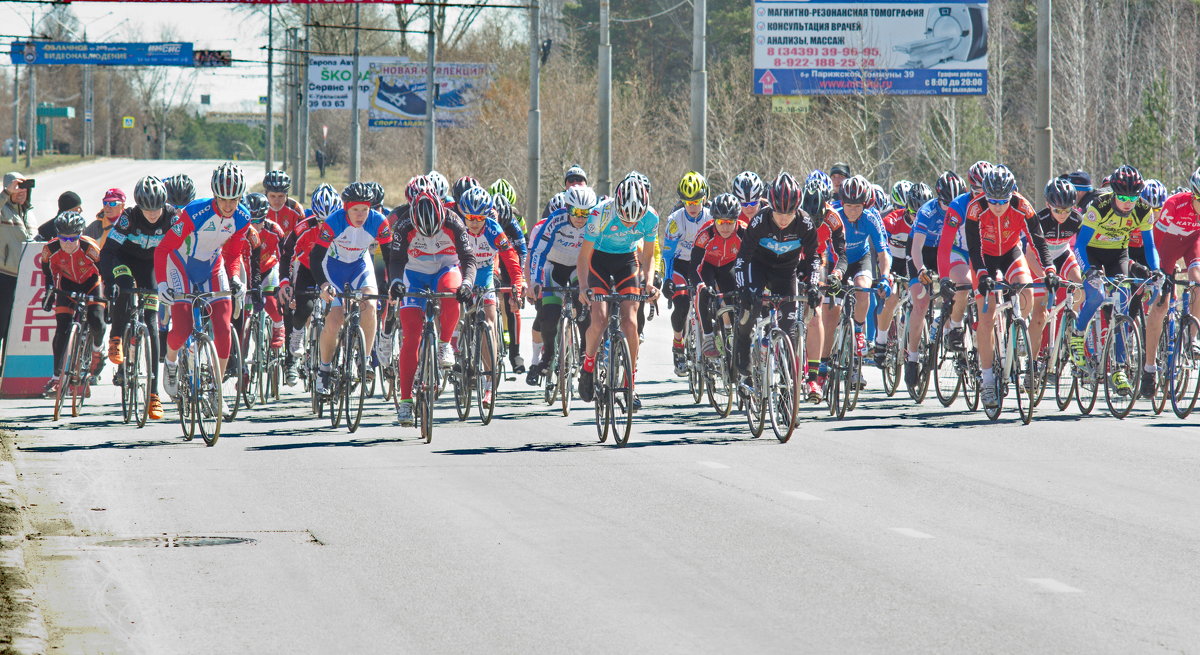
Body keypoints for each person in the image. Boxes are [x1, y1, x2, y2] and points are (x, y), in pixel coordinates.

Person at [155, 162, 255, 399]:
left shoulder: (243, 217)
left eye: (234, 199)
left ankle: (216, 391)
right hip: (181, 266)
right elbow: (163, 249)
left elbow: (232, 254)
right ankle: (170, 364)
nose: (229, 206)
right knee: (182, 327)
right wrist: (161, 284)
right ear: (214, 196)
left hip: (212, 266)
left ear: (241, 197)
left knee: (223, 329)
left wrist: (234, 278)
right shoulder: (195, 212)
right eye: (223, 199)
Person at [966, 165, 1055, 408]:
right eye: (992, 200)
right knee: (986, 316)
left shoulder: (1022, 206)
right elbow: (973, 249)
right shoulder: (975, 209)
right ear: (984, 195)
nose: (997, 205)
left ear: (1011, 194)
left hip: (1010, 253)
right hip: (984, 257)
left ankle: (1014, 333)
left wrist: (1049, 270)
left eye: (1003, 200)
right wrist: (982, 274)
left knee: (1026, 293)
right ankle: (986, 380)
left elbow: (1038, 242)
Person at [387, 191, 477, 426]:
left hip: (445, 269)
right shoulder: (404, 225)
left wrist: (467, 283)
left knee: (452, 292)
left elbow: (468, 258)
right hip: (413, 273)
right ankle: (406, 401)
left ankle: (445, 344)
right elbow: (395, 261)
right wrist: (396, 283)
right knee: (411, 335)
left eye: (434, 230)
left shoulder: (454, 222)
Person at [732, 172, 820, 393]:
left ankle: (786, 391)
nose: (783, 219)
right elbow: (742, 259)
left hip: (785, 272)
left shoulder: (806, 223)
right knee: (749, 311)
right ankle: (744, 367)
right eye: (778, 212)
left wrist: (814, 285)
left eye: (788, 213)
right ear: (770, 206)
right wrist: (744, 288)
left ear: (796, 209)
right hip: (758, 267)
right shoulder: (760, 221)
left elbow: (813, 259)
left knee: (788, 330)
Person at [576, 175, 659, 410]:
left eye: (636, 220)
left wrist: (650, 283)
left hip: (627, 261)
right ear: (617, 207)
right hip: (598, 260)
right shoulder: (600, 213)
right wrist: (583, 288)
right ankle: (588, 365)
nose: (632, 225)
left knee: (631, 323)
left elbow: (649, 256)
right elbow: (583, 258)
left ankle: (630, 383)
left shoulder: (651, 217)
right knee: (600, 319)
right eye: (625, 219)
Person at [308, 182, 393, 395]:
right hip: (332, 268)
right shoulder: (333, 222)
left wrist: (388, 284)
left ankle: (364, 361)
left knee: (371, 305)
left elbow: (388, 256)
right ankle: (324, 371)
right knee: (335, 319)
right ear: (346, 207)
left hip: (360, 266)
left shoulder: (378, 221)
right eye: (356, 209)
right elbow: (316, 257)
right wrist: (324, 285)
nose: (361, 214)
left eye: (365, 209)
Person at [101, 176, 174, 420]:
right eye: (147, 209)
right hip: (125, 260)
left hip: (152, 266)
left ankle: (153, 395)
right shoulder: (128, 218)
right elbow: (108, 252)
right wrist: (109, 283)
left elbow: (185, 248)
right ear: (138, 206)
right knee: (123, 287)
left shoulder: (173, 217)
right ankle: (115, 339)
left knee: (152, 322)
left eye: (156, 209)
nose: (152, 214)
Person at [458, 186, 525, 407]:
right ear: (463, 215)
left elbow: (511, 258)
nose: (475, 222)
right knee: (455, 306)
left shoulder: (494, 230)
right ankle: (456, 346)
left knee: (490, 320)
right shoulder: (459, 229)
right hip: (462, 270)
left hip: (486, 272)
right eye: (470, 218)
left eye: (480, 218)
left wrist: (517, 283)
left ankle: (489, 382)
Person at [524, 185, 595, 387]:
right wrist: (535, 282)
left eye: (585, 213)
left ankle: (584, 351)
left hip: (577, 267)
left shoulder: (594, 223)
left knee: (583, 305)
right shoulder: (556, 220)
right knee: (549, 314)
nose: (580, 217)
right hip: (553, 267)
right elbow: (537, 252)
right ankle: (548, 355)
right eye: (576, 212)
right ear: (567, 208)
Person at [1144, 168, 1200, 395]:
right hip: (1164, 249)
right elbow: (1155, 240)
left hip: (1191, 244)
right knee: (1161, 305)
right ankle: (1149, 367)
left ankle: (1192, 337)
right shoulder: (1175, 204)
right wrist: (1158, 270)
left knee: (1197, 281)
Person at [909, 171, 967, 386]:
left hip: (947, 251)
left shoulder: (964, 208)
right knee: (921, 302)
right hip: (923, 252)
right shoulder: (927, 211)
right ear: (938, 198)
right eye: (946, 204)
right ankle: (913, 358)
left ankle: (947, 325)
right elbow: (916, 248)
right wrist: (921, 269)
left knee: (959, 287)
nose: (951, 207)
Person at [39, 212, 105, 397]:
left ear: (80, 234)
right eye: (63, 238)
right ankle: (55, 377)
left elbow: (104, 272)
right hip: (67, 284)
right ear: (57, 235)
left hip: (91, 284)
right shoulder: (49, 249)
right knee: (62, 328)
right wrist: (49, 294)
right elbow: (48, 274)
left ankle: (98, 350)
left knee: (97, 321)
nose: (68, 243)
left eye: (73, 238)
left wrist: (108, 297)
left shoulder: (90, 247)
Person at [663, 171, 712, 377]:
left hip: (702, 264)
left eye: (696, 201)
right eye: (687, 201)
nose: (691, 206)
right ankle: (678, 344)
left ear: (705, 198)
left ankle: (712, 343)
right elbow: (668, 254)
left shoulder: (712, 217)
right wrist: (666, 279)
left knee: (710, 303)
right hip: (680, 265)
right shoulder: (675, 219)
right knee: (682, 305)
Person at [689, 193, 744, 358]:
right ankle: (708, 336)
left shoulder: (744, 232)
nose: (725, 227)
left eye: (730, 222)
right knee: (704, 293)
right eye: (721, 222)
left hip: (729, 266)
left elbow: (753, 262)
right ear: (714, 220)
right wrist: (701, 286)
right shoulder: (706, 234)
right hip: (708, 266)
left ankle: (734, 336)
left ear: (736, 220)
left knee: (735, 298)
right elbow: (694, 267)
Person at [0, 171, 35, 347]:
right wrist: (6, 193)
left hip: (26, 278)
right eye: (18, 187)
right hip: (5, 275)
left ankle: (5, 369)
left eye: (25, 187)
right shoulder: (3, 210)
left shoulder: (29, 212)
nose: (22, 191)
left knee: (15, 328)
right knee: (2, 325)